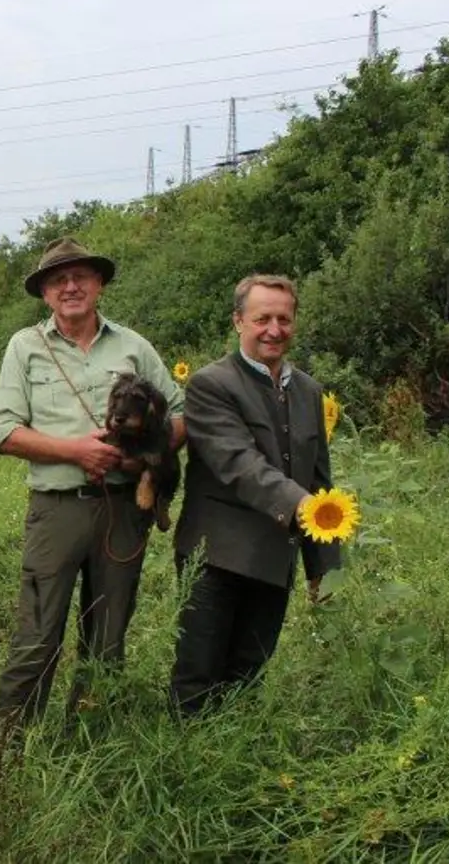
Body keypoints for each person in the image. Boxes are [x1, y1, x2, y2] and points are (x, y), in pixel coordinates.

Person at [0, 237, 185, 730]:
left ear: (98, 284)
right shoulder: (25, 347)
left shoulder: (133, 346)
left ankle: (89, 743)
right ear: (45, 293)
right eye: (58, 279)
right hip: (58, 509)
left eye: (80, 277)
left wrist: (140, 456)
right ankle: (8, 745)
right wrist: (78, 451)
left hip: (124, 508)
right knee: (37, 632)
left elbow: (180, 414)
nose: (70, 286)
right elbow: (6, 432)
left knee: (108, 634)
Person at [168, 274, 341, 716]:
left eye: (284, 319)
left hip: (274, 559)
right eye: (262, 318)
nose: (274, 329)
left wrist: (322, 565)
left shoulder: (308, 391)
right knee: (197, 677)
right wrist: (304, 506)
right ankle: (187, 767)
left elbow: (320, 478)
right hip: (216, 558)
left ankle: (235, 767)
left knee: (247, 679)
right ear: (239, 321)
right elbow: (239, 465)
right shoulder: (210, 385)